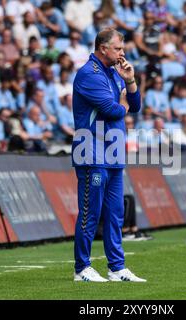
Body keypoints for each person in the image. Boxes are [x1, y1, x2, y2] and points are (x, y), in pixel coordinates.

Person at [72, 28, 144, 282]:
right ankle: (81, 268)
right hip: (91, 150)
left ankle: (116, 267)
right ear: (103, 48)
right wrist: (122, 104)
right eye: (118, 48)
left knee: (115, 212)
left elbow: (133, 106)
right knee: (91, 212)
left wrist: (131, 81)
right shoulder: (88, 75)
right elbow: (114, 110)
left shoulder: (114, 72)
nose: (123, 53)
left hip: (112, 151)